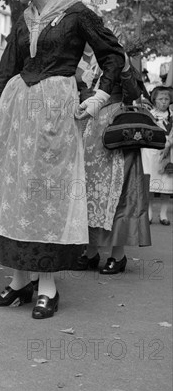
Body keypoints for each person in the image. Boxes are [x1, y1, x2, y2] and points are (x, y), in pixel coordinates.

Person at [0, 0, 124, 319]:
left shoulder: (76, 13)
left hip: (56, 111)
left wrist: (99, 98)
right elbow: (6, 70)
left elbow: (113, 56)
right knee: (16, 193)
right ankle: (20, 281)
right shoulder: (23, 18)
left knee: (47, 195)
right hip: (15, 113)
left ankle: (48, 288)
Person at [77, 52, 151, 274]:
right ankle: (90, 252)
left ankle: (118, 255)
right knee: (89, 194)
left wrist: (126, 67)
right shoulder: (84, 63)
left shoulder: (120, 59)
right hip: (90, 134)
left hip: (118, 133)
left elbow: (134, 93)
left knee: (119, 194)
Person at [141, 86, 173, 226]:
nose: (164, 102)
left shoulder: (172, 115)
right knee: (150, 184)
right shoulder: (149, 115)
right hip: (151, 151)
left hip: (168, 153)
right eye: (161, 99)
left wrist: (168, 144)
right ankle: (148, 213)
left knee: (167, 183)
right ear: (154, 100)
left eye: (167, 99)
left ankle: (163, 214)